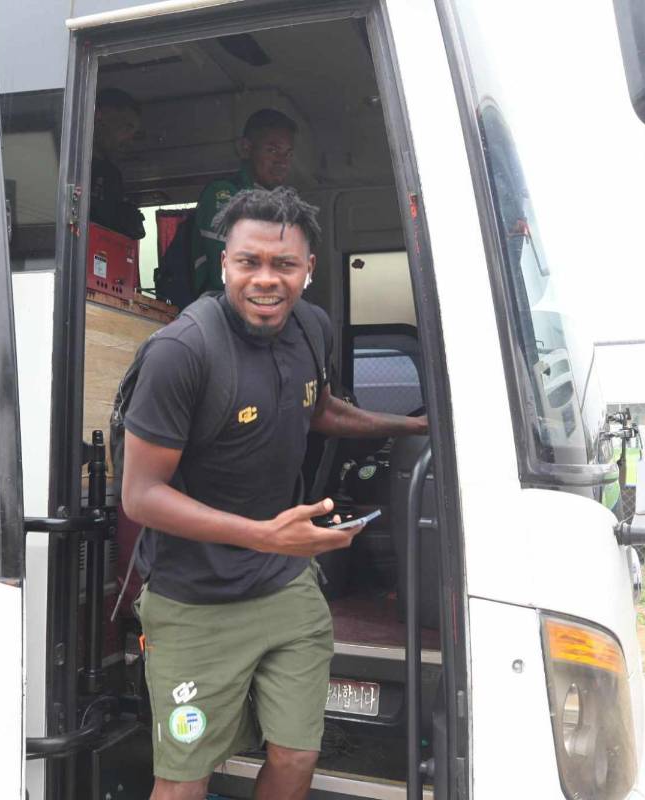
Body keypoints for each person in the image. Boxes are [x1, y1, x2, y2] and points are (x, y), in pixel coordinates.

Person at [122, 187, 427, 800]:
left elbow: (317, 410)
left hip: (286, 587)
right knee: (182, 781)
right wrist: (265, 534)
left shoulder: (311, 329)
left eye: (284, 265)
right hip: (195, 602)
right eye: (249, 263)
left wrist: (413, 425)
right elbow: (141, 495)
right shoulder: (181, 353)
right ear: (225, 263)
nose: (266, 280)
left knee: (296, 756)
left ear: (309, 270)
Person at [191, 108, 297, 297]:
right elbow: (226, 274)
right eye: (272, 150)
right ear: (246, 148)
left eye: (287, 154)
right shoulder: (223, 195)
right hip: (220, 313)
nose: (282, 162)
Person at [90, 87, 145, 239]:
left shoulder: (112, 176)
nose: (129, 139)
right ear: (98, 115)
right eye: (127, 127)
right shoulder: (66, 161)